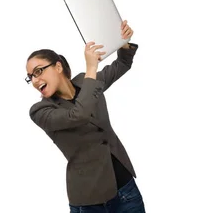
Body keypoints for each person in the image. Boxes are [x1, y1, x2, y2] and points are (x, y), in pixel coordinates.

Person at [26, 20, 145, 212]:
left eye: (38, 71)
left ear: (57, 67)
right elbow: (78, 115)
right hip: (90, 201)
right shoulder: (40, 111)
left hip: (125, 189)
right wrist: (92, 68)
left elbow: (122, 63)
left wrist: (121, 41)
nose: (34, 80)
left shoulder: (85, 81)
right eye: (30, 76)